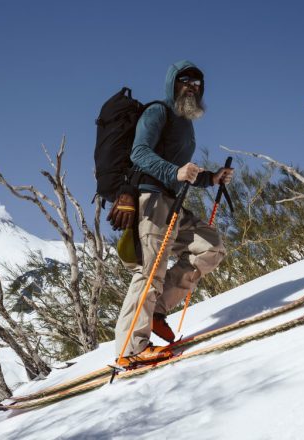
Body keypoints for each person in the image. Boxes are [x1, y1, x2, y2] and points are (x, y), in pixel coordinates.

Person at [108, 60, 233, 366]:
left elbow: (181, 172)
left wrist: (211, 178)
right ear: (172, 83)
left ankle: (156, 312)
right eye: (186, 81)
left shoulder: (185, 123)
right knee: (150, 271)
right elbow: (140, 153)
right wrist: (175, 171)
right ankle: (129, 350)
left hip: (172, 201)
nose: (193, 87)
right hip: (150, 200)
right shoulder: (157, 112)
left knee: (210, 247)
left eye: (198, 84)